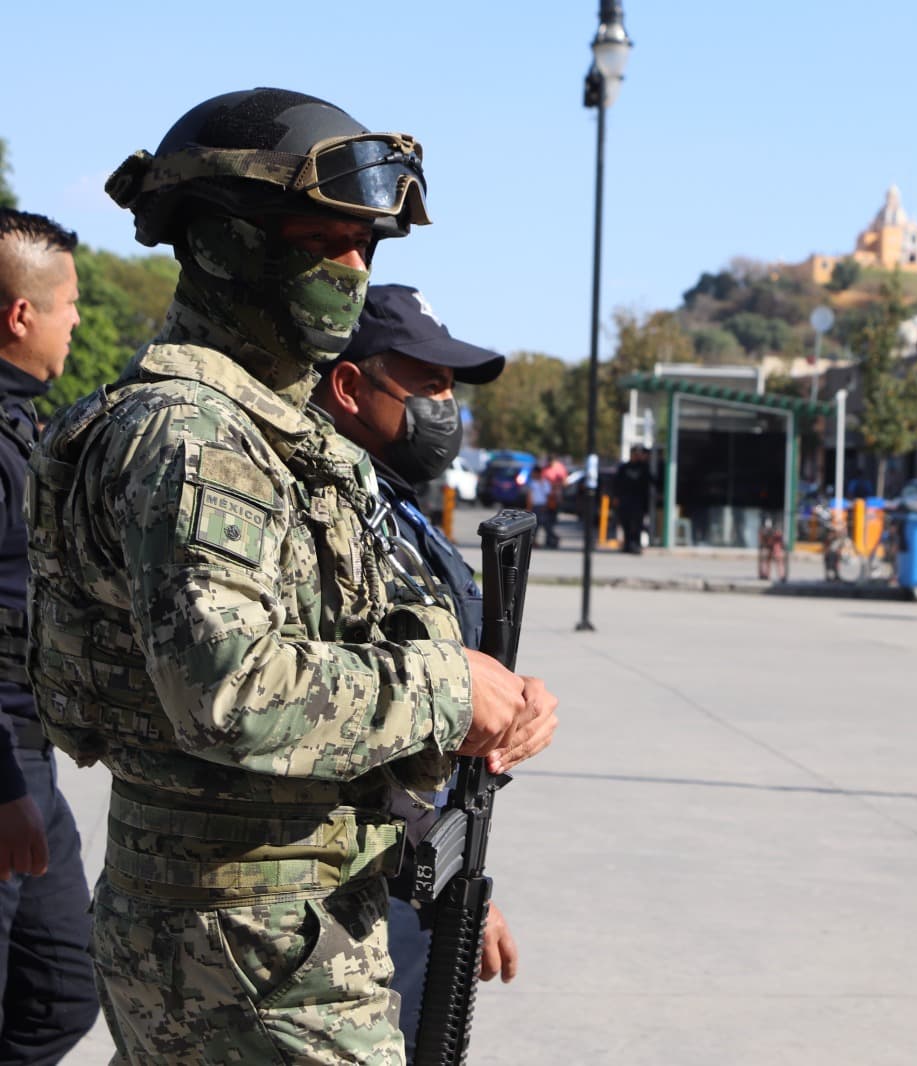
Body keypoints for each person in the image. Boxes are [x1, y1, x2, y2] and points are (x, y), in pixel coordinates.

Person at [30, 88, 556, 1064]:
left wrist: (479, 694)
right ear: (230, 244)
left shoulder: (255, 432)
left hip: (245, 928)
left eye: (368, 248)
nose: (354, 271)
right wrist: (449, 689)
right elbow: (229, 692)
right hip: (260, 947)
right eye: (329, 241)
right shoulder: (196, 437)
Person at [311, 284, 524, 1059]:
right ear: (348, 387)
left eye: (450, 387)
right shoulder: (317, 520)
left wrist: (461, 886)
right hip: (345, 882)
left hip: (410, 860)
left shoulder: (394, 513)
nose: (446, 405)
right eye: (428, 384)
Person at [0, 208, 99, 1063]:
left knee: (64, 989)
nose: (78, 317)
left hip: (29, 753)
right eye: (67, 303)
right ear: (20, 315)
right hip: (0, 760)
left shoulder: (26, 427)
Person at [614, 444, 655, 554]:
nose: (636, 456)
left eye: (639, 454)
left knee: (637, 524)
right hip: (625, 501)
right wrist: (616, 497)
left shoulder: (644, 467)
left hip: (639, 501)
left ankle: (636, 544)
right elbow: (616, 484)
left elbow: (652, 481)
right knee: (625, 523)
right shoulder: (624, 468)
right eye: (635, 453)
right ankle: (627, 544)